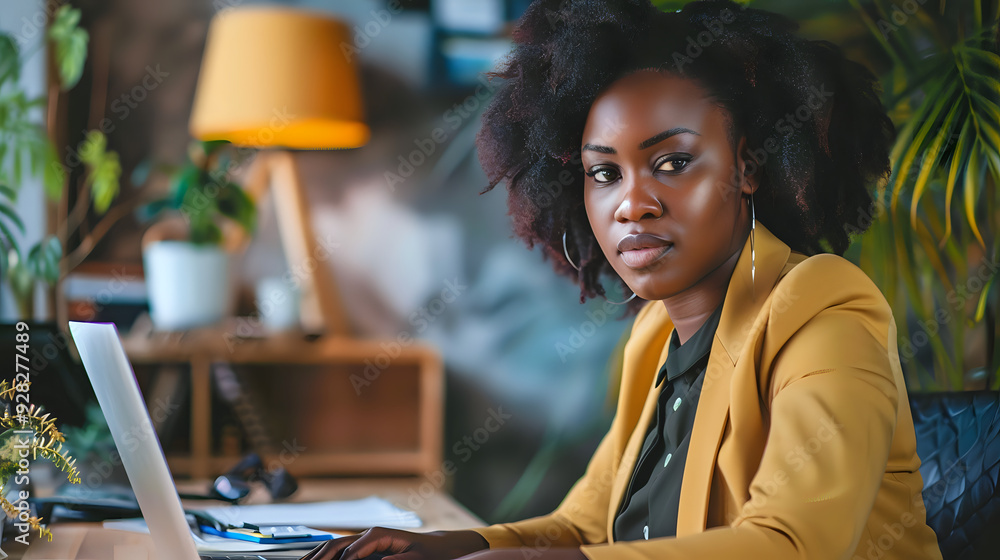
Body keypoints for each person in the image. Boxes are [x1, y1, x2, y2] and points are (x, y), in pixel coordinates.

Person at [301, 0, 944, 558]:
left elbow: (793, 545)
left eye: (672, 161)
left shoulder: (825, 312)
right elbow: (584, 524)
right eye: (604, 173)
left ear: (748, 168)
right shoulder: (654, 338)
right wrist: (453, 545)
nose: (631, 204)